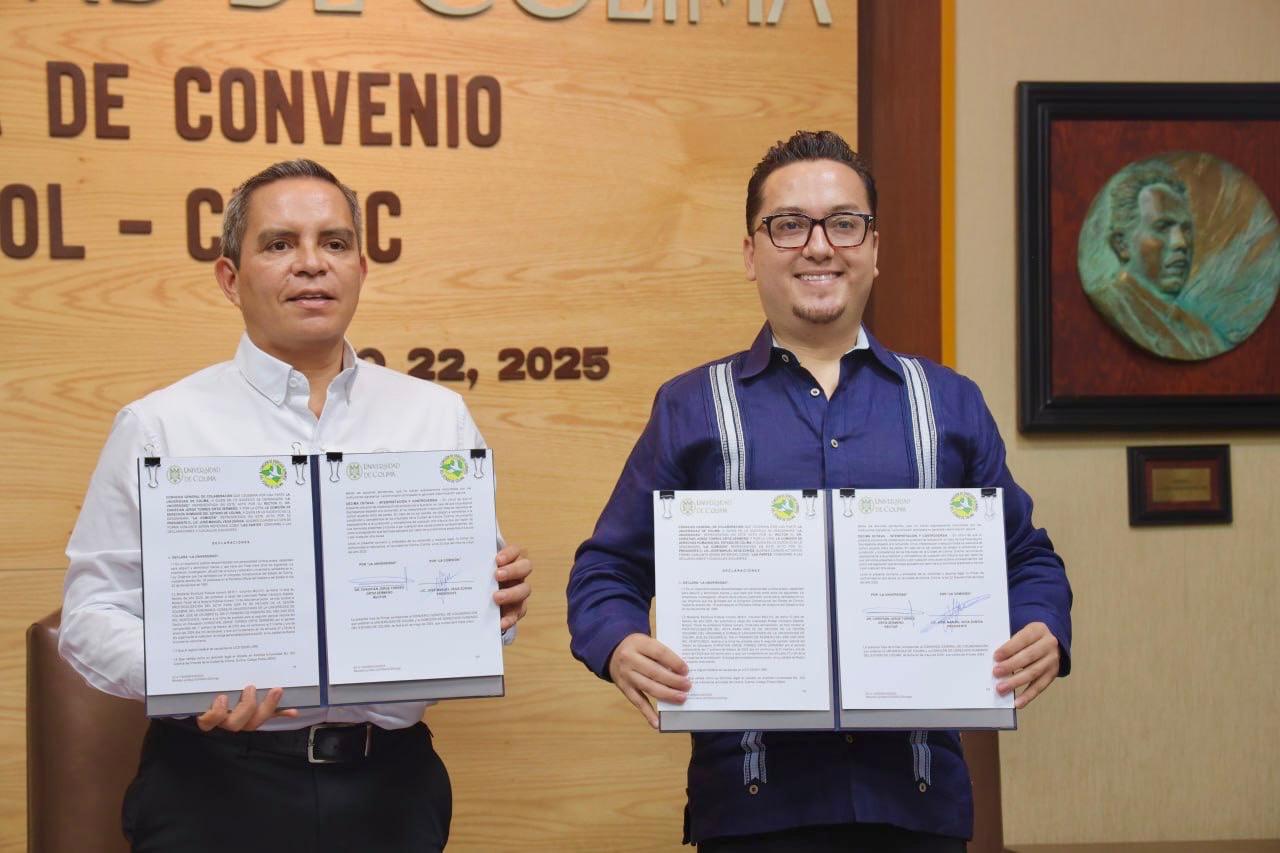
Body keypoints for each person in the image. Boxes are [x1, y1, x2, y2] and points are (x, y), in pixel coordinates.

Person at [567, 130, 1071, 851]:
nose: (819, 246)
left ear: (874, 247)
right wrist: (619, 643)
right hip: (752, 811)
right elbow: (606, 568)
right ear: (751, 253)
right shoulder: (692, 407)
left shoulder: (948, 404)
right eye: (788, 225)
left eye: (844, 223)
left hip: (916, 806)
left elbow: (1027, 558)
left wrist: (1043, 626)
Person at [59, 158, 532, 852]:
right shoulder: (160, 427)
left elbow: (476, 609)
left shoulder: (435, 417)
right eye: (280, 244)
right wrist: (194, 679)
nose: (312, 263)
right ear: (230, 278)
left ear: (360, 270)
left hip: (391, 790)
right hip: (212, 788)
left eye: (334, 243)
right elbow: (91, 617)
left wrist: (498, 604)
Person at [1087, 160, 1225, 359]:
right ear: (1122, 245)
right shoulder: (1109, 307)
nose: (1181, 243)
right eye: (1162, 227)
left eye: (1186, 230)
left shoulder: (1203, 336)